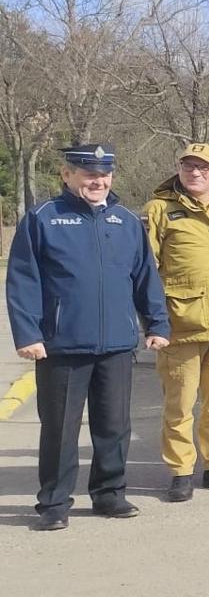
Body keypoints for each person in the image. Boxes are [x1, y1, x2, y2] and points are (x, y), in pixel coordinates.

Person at [9, 144, 169, 531]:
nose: (98, 181)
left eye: (104, 175)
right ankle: (54, 502)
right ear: (67, 176)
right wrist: (28, 333)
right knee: (60, 428)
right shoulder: (43, 219)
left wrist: (157, 323)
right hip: (61, 344)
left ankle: (109, 493)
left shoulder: (126, 222)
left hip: (115, 344)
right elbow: (23, 280)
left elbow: (145, 277)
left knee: (114, 425)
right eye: (88, 174)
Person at [144, 142, 209, 502]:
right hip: (181, 326)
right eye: (188, 166)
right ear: (179, 169)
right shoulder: (160, 210)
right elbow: (145, 271)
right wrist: (153, 323)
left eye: (204, 167)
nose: (195, 173)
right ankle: (180, 471)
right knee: (180, 404)